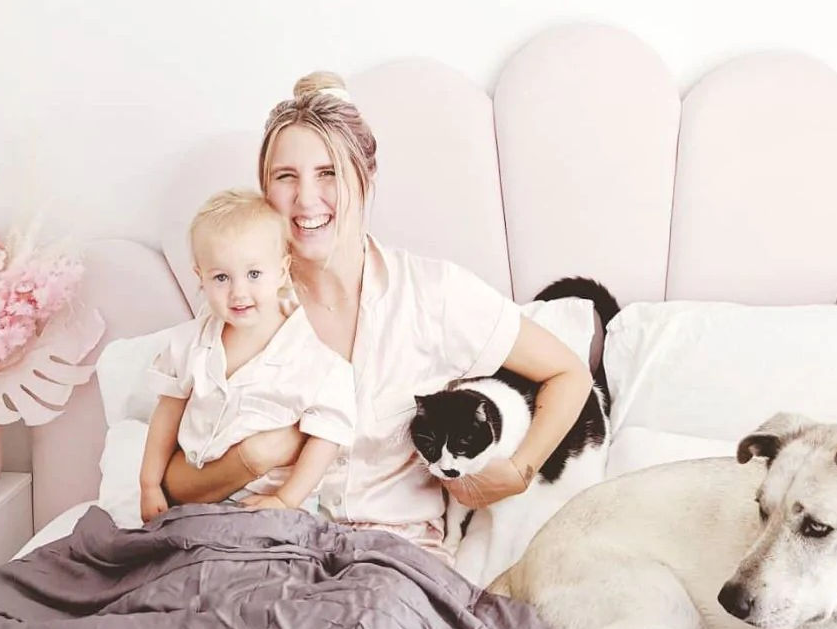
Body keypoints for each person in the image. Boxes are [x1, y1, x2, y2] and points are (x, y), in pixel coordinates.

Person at [161, 72, 592, 566]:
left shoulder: (434, 296)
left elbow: (569, 373)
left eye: (329, 173)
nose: (306, 200)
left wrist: (517, 470)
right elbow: (174, 482)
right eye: (286, 177)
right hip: (261, 550)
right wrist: (251, 459)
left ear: (365, 178)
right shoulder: (240, 306)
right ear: (265, 191)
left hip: (392, 561)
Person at [138, 188, 355, 522]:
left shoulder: (313, 358)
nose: (239, 292)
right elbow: (167, 412)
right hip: (196, 504)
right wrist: (149, 485)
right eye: (222, 277)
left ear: (282, 271)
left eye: (254, 274)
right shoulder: (188, 344)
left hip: (274, 509)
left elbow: (326, 438)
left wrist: (286, 498)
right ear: (201, 278)